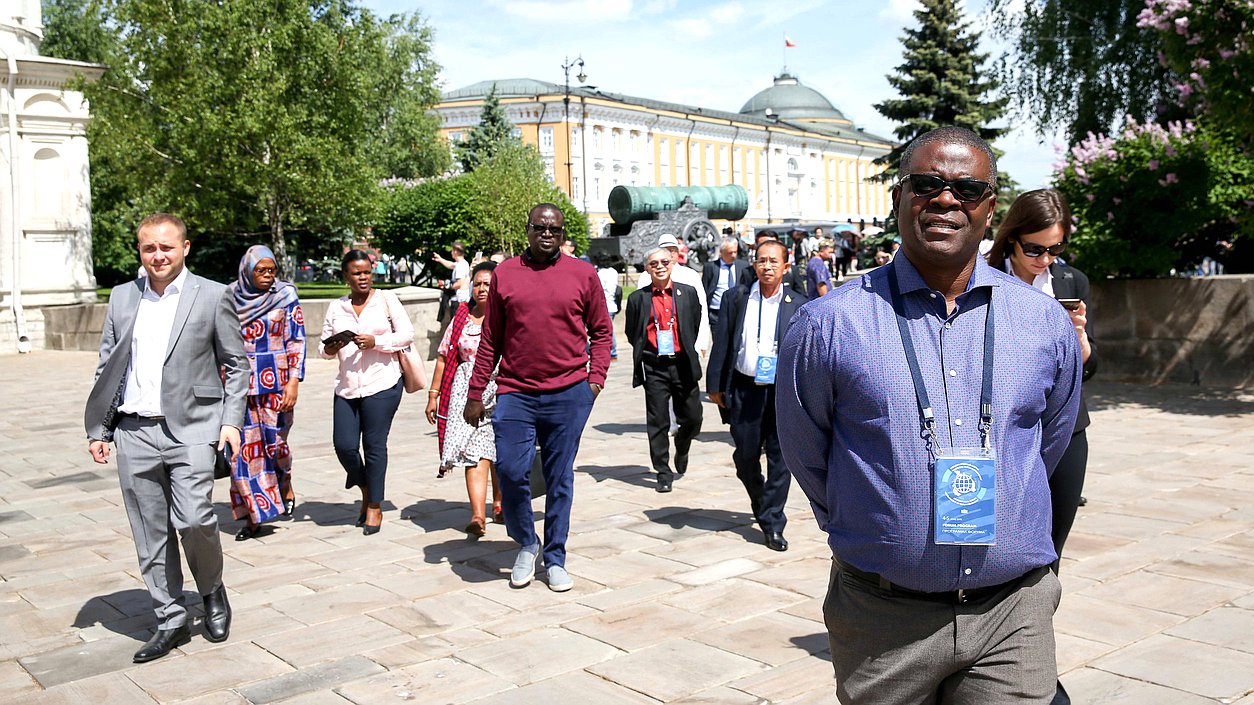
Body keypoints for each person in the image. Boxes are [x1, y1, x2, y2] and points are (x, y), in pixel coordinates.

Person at [777, 126, 1083, 704]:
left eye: (967, 189)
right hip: (883, 620)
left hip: (1010, 613)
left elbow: (1049, 440)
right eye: (927, 184)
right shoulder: (828, 324)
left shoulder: (1043, 324)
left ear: (990, 210)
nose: (946, 199)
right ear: (899, 198)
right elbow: (806, 450)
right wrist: (883, 521)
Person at [84, 213, 247, 663]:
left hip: (194, 427)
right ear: (140, 251)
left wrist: (230, 423)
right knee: (149, 531)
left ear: (185, 248)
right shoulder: (121, 298)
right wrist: (100, 427)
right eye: (149, 248)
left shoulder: (213, 296)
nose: (157, 256)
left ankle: (212, 588)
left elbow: (236, 364)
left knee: (195, 519)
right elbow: (108, 367)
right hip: (134, 431)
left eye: (166, 247)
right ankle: (170, 618)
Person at [985, 189, 1097, 705]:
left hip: (1067, 431)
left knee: (1049, 557)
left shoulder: (1070, 282)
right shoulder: (985, 281)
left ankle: (1031, 661)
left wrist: (1082, 349)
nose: (1046, 260)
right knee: (1009, 552)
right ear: (1010, 239)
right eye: (1036, 249)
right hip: (1006, 436)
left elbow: (1086, 370)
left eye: (1055, 249)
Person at [465, 203, 612, 593]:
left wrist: (593, 382)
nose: (548, 234)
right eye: (540, 228)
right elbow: (492, 338)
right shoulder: (506, 274)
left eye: (555, 229)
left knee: (560, 477)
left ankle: (556, 555)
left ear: (562, 235)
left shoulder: (582, 274)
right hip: (516, 392)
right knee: (512, 472)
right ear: (527, 230)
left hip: (568, 393)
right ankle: (527, 542)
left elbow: (602, 332)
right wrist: (475, 392)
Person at [706, 239, 804, 552]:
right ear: (754, 264)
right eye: (762, 261)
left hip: (781, 393)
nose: (767, 267)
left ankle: (773, 522)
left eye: (774, 261)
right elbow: (722, 340)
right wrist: (715, 384)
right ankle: (761, 501)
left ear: (785, 267)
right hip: (746, 389)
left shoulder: (799, 305)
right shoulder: (737, 298)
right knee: (746, 457)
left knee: (781, 460)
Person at [321, 250, 414, 536]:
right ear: (346, 276)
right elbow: (322, 349)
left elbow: (407, 335)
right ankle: (365, 486)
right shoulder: (337, 307)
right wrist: (331, 347)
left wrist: (377, 341)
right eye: (356, 273)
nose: (363, 277)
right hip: (347, 385)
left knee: (374, 445)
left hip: (382, 383)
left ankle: (374, 504)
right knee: (345, 445)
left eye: (366, 272)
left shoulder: (387, 300)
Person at [228, 245, 305, 541]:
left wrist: (293, 381)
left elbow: (296, 339)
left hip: (277, 383)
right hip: (238, 385)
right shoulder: (230, 297)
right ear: (248, 270)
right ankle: (253, 516)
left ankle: (284, 483)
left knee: (275, 445)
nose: (267, 276)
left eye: (271, 270)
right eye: (261, 270)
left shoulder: (284, 295)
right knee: (242, 452)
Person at [426, 262, 503, 536]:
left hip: (501, 388)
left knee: (500, 451)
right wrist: (433, 395)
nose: (482, 288)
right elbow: (444, 357)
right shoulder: (461, 317)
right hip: (466, 392)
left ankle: (500, 502)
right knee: (474, 452)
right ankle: (478, 515)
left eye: (488, 284)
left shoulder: (508, 316)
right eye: (478, 283)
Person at [626, 248, 704, 493]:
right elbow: (632, 331)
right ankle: (662, 471)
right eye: (653, 263)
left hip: (682, 363)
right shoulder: (638, 298)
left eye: (664, 262)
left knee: (693, 417)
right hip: (655, 364)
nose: (659, 266)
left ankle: (682, 445)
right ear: (647, 268)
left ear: (673, 263)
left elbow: (695, 320)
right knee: (657, 421)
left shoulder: (687, 293)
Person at [636, 233, 711, 357]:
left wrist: (702, 342)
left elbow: (701, 309)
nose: (669, 254)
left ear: (677, 252)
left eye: (672, 250)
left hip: (685, 344)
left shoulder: (690, 275)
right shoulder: (646, 276)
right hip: (653, 347)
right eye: (665, 250)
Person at [702, 237, 749, 332]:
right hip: (716, 313)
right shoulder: (711, 267)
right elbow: (705, 289)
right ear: (721, 252)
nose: (733, 255)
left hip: (737, 311)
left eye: (735, 252)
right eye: (730, 253)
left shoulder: (743, 266)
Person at [593, 251, 622, 360]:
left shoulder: (600, 274)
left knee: (608, 330)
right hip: (613, 304)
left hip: (605, 305)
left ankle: (613, 352)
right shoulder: (613, 272)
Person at [432, 242, 471, 321]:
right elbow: (450, 265)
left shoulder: (460, 266)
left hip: (457, 300)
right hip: (460, 300)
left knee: (455, 325)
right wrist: (440, 259)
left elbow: (460, 283)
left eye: (452, 250)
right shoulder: (462, 263)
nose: (451, 252)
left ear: (456, 252)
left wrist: (447, 285)